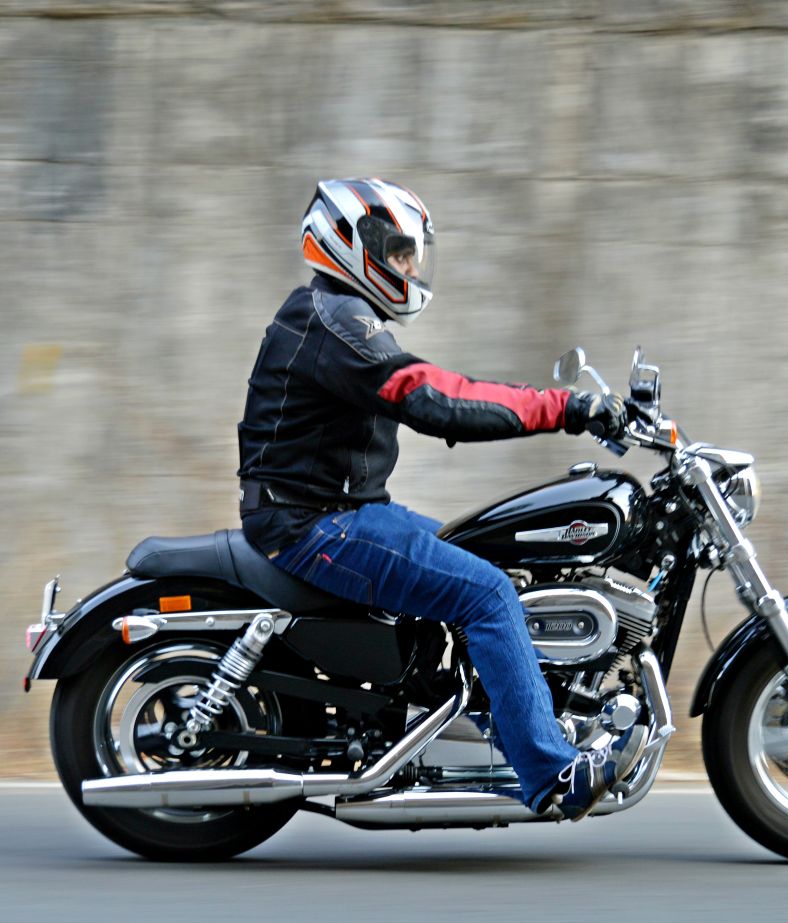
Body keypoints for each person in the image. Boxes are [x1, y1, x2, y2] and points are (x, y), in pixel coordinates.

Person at [236, 177, 637, 819]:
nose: (410, 268)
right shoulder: (336, 322)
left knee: (484, 562)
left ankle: (480, 729)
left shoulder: (334, 314)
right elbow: (436, 399)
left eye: (411, 255)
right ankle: (552, 774)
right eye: (398, 254)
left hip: (339, 511)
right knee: (487, 594)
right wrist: (567, 408)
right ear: (352, 244)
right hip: (313, 524)